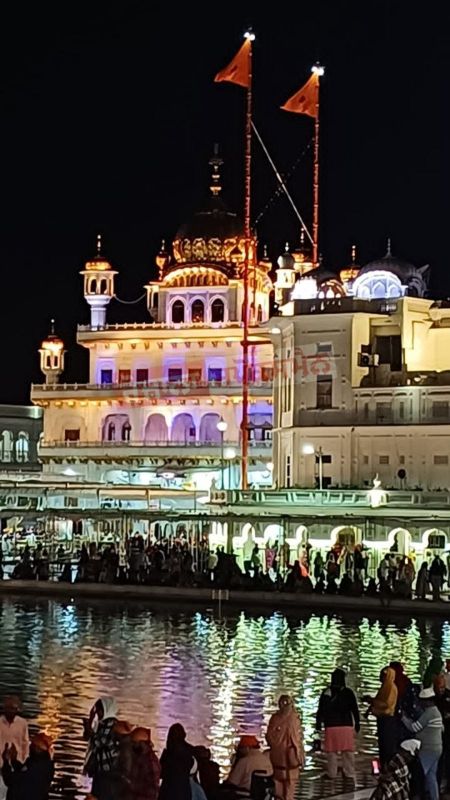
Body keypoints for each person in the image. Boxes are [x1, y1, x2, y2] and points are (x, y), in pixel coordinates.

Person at [315, 668, 360, 780]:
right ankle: (349, 773)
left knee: (331, 752)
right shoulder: (348, 692)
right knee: (348, 752)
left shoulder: (327, 692)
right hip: (346, 726)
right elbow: (354, 709)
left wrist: (318, 724)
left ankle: (332, 773)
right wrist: (357, 722)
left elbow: (321, 709)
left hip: (331, 726)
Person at [401, 686, 443, 800]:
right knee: (431, 776)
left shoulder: (429, 713)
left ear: (427, 701)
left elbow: (414, 728)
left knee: (418, 775)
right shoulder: (437, 712)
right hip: (438, 748)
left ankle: (417, 797)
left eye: (421, 701)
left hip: (428, 748)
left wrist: (404, 718)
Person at [266, 695, 304, 800]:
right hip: (291, 759)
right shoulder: (294, 718)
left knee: (278, 788)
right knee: (290, 789)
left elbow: (269, 737)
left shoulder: (274, 718)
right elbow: (298, 740)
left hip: (277, 758)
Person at [83, 697, 120, 800]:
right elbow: (88, 738)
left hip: (108, 771)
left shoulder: (111, 724)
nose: (98, 713)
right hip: (101, 770)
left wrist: (89, 728)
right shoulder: (101, 724)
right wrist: (90, 719)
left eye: (99, 710)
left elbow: (99, 742)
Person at [2, 732, 54, 800]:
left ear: (38, 748)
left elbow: (10, 780)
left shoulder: (36, 767)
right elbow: (24, 771)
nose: (30, 746)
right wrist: (13, 760)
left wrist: (5, 761)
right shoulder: (44, 763)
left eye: (32, 745)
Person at [365, 667, 398, 769]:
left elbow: (386, 705)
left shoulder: (391, 688)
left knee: (387, 746)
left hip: (388, 721)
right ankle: (384, 767)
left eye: (383, 675)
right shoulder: (384, 688)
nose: (380, 677)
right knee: (383, 746)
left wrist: (372, 701)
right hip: (382, 720)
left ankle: (388, 768)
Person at [120, 726, 160, 800]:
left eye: (135, 743)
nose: (133, 746)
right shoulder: (140, 757)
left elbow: (153, 789)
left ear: (141, 744)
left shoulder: (150, 761)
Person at [158, 723, 194, 800]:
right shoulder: (190, 751)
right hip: (184, 790)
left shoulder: (169, 753)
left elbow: (160, 773)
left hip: (168, 790)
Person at [0, 697, 29, 767]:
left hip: (18, 761)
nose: (11, 711)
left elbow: (25, 742)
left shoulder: (22, 723)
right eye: (8, 708)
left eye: (13, 708)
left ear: (17, 710)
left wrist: (24, 759)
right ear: (4, 709)